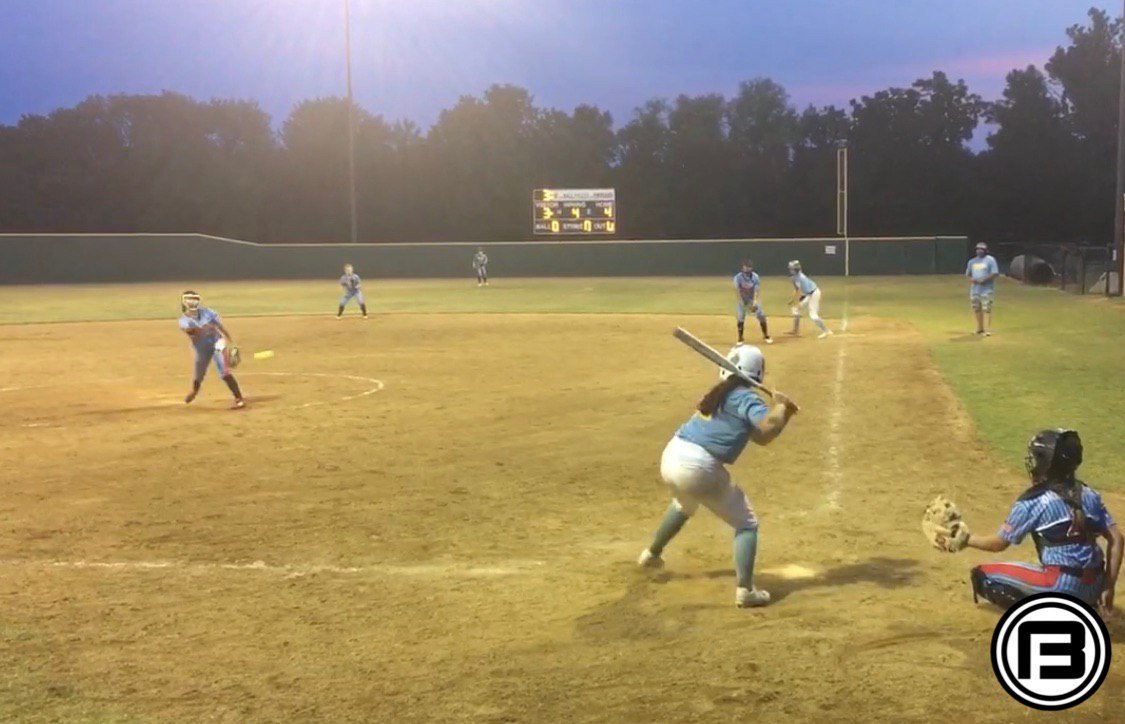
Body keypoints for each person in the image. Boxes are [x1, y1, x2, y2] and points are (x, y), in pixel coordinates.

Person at [638, 344, 799, 608]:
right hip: (698, 465)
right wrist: (781, 407)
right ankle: (746, 591)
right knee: (746, 523)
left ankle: (652, 554)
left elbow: (759, 438)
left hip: (673, 455)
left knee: (684, 505)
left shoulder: (719, 393)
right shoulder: (745, 397)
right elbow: (768, 429)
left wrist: (784, 412)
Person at [943, 429, 1123, 613]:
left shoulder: (1034, 501)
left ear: (1046, 463)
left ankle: (1044, 616)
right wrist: (1108, 586)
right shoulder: (1089, 494)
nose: (1033, 462)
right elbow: (1116, 538)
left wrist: (966, 539)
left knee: (983, 576)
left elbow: (998, 544)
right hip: (1095, 586)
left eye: (1037, 458)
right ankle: (1080, 605)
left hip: (1060, 585)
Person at [178, 291, 245, 410]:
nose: (193, 302)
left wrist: (231, 343)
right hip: (201, 349)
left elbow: (220, 327)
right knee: (199, 374)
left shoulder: (208, 312)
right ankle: (194, 390)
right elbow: (191, 331)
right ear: (185, 302)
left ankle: (238, 398)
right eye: (190, 300)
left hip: (217, 343)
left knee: (225, 371)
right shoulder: (184, 320)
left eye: (195, 299)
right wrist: (203, 328)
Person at [786, 260, 832, 339]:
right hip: (808, 294)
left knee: (813, 315)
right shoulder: (793, 278)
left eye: (792, 269)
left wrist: (800, 300)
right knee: (795, 309)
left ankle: (826, 331)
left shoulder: (802, 278)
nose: (790, 270)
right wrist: (793, 300)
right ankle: (795, 331)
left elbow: (806, 292)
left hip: (814, 294)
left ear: (796, 269)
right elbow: (797, 289)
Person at [734, 259, 772, 344]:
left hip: (752, 299)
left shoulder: (755, 277)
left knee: (761, 315)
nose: (746, 269)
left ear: (751, 268)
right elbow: (737, 290)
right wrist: (741, 302)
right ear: (742, 268)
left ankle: (766, 335)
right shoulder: (738, 277)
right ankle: (740, 338)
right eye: (745, 267)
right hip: (742, 299)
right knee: (740, 317)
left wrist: (755, 301)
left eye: (748, 267)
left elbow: (756, 290)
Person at [965, 242, 999, 336]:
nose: (979, 251)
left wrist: (984, 279)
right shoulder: (972, 261)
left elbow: (994, 273)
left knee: (986, 309)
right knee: (976, 308)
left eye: (981, 249)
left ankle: (987, 329)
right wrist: (973, 280)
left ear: (985, 250)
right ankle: (979, 328)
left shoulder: (990, 260)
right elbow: (967, 275)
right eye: (978, 249)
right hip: (975, 290)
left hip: (986, 290)